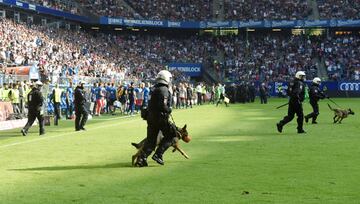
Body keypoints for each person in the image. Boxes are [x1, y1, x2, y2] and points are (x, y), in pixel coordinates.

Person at [135, 70, 174, 167]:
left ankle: (141, 159)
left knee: (151, 140)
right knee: (171, 135)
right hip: (160, 118)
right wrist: (169, 110)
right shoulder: (164, 90)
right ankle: (158, 154)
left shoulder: (154, 89)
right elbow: (163, 106)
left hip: (151, 117)